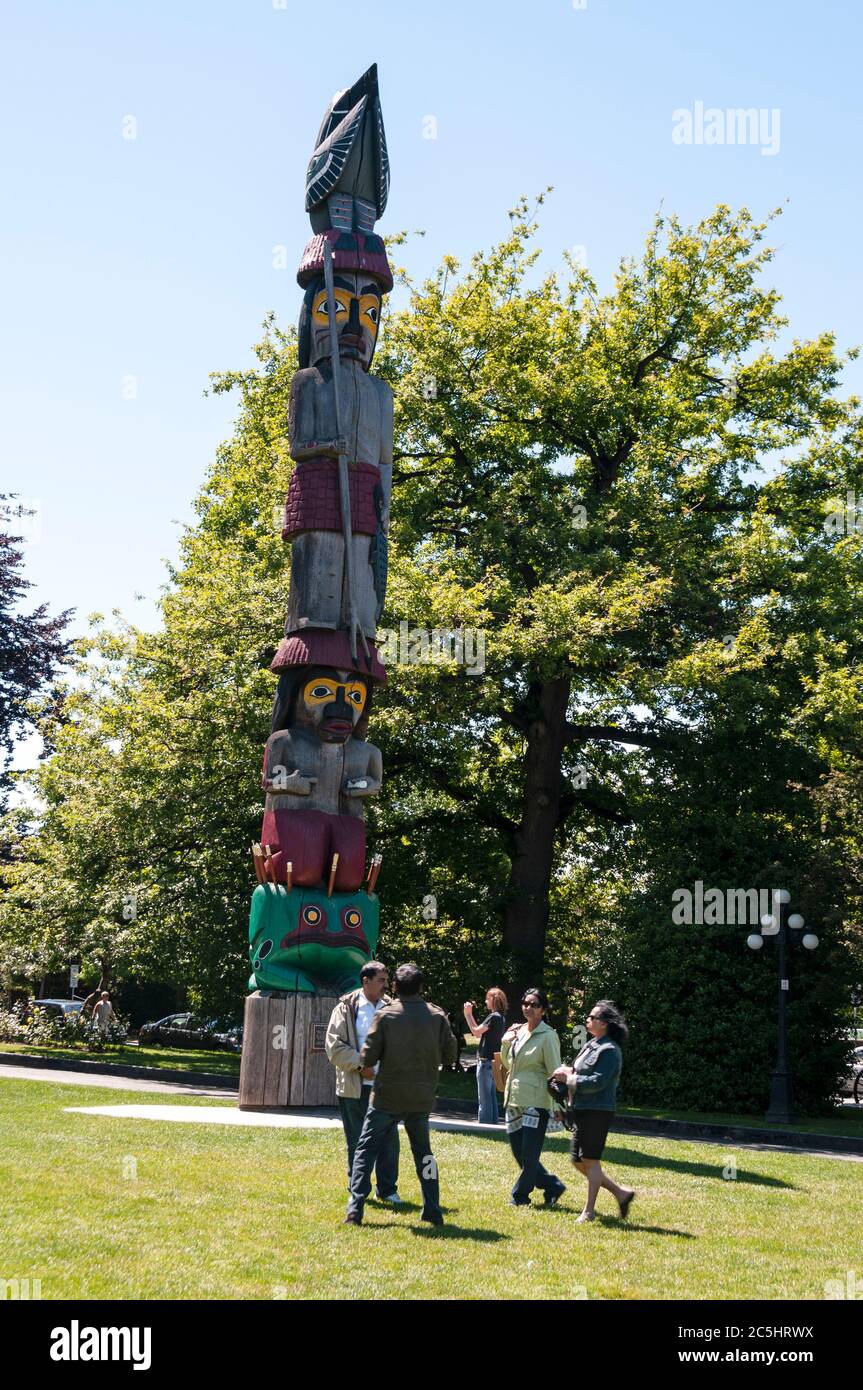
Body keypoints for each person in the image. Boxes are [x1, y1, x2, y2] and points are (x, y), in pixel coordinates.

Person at [345, 963, 457, 1227]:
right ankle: (432, 1207)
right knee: (425, 1155)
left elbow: (367, 1057)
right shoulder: (437, 1015)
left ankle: (355, 1209)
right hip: (421, 1098)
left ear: (394, 987)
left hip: (386, 1097)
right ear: (421, 987)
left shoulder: (386, 1016)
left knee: (365, 1151)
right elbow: (451, 1054)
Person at [325, 961, 402, 1205]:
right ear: (365, 981)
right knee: (357, 1140)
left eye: (386, 980)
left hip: (385, 1088)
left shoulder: (393, 1007)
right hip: (354, 1087)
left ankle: (388, 1190)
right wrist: (362, 1065)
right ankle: (358, 1188)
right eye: (381, 980)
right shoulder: (346, 1007)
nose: (385, 985)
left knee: (389, 1141)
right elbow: (334, 1047)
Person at [552, 1000, 635, 1224]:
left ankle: (588, 1212)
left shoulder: (609, 1050)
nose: (588, 1020)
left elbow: (598, 1082)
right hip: (581, 1108)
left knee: (590, 1160)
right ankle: (621, 1193)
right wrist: (565, 1071)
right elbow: (579, 1070)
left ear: (605, 1023)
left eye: (592, 1018)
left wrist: (570, 1078)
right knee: (578, 1160)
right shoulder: (591, 1044)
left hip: (598, 1110)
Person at [500, 988, 565, 1208]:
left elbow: (555, 1072)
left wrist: (557, 1104)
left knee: (529, 1154)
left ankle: (519, 1196)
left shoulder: (548, 1036)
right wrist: (506, 1043)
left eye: (534, 1004)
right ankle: (553, 1185)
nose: (528, 1007)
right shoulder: (519, 1032)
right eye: (525, 1003)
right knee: (520, 1154)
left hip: (536, 1102)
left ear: (543, 1009)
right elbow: (510, 1064)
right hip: (515, 1099)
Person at [463, 988, 508, 1124]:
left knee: (484, 1099)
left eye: (487, 999)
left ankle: (485, 1127)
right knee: (491, 1097)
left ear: (493, 1000)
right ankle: (493, 1125)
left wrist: (468, 1015)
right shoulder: (501, 1017)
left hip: (485, 1062)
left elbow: (476, 1032)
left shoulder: (493, 1017)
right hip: (494, 1063)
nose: (485, 1001)